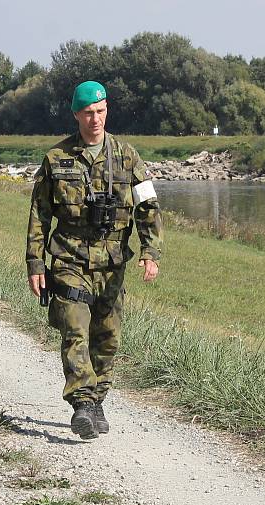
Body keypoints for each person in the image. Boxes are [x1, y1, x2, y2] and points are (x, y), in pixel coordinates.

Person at [26, 81, 163, 440]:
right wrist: (35, 263)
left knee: (107, 337)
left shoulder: (127, 156)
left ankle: (97, 396)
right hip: (69, 258)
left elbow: (147, 206)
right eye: (88, 113)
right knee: (74, 328)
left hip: (113, 261)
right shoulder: (57, 159)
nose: (95, 119)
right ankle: (83, 403)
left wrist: (151, 251)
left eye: (100, 111)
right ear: (76, 115)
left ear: (107, 111)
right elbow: (40, 215)